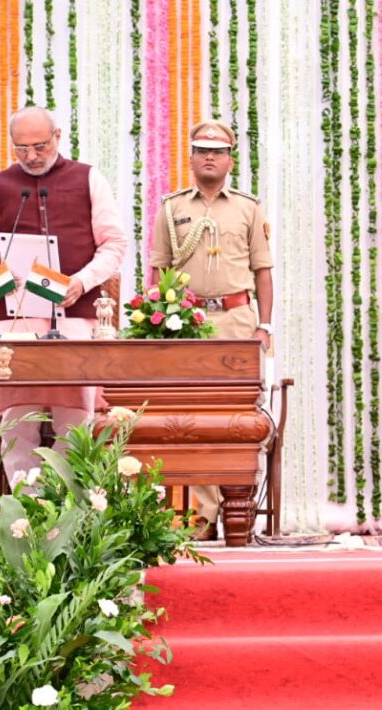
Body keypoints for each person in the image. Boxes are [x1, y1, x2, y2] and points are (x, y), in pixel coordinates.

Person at [0, 106, 128, 484]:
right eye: (21, 149)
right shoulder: (2, 184)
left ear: (57, 136)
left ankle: (61, 498)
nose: (32, 156)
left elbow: (115, 243)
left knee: (74, 414)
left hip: (72, 314)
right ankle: (27, 503)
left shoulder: (88, 178)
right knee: (16, 415)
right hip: (17, 317)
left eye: (39, 146)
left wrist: (81, 281)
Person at [149, 120, 274, 539]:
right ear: (190, 157)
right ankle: (201, 517)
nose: (209, 157)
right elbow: (157, 269)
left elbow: (263, 271)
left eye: (217, 152)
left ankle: (238, 510)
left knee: (237, 417)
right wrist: (154, 324)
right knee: (195, 418)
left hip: (237, 321)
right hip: (187, 323)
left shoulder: (248, 208)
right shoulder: (171, 208)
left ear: (230, 160)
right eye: (202, 149)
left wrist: (265, 325)